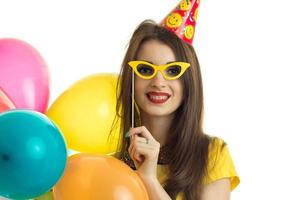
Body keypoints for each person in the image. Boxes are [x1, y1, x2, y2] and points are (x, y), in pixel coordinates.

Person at [113, 1, 239, 199]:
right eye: (145, 70)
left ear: (189, 81)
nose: (158, 82)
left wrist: (149, 179)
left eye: (173, 71)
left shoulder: (212, 155)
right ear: (131, 78)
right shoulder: (113, 166)